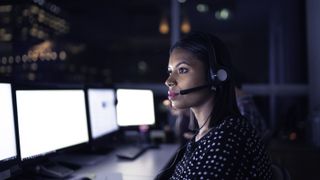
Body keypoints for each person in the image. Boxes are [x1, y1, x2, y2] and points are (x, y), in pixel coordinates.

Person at [156, 32, 272, 179]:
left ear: (215, 76)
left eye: (183, 70)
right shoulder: (207, 133)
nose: (169, 81)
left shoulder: (229, 138)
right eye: (170, 71)